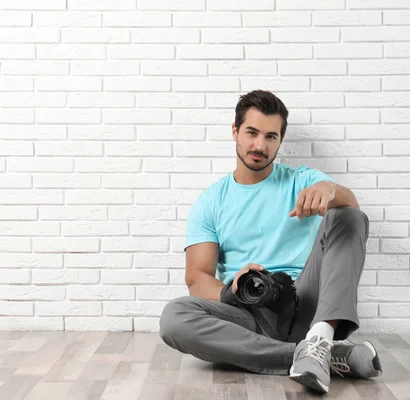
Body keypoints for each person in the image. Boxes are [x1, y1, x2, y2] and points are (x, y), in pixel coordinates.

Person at [159, 90, 382, 394]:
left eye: (270, 137)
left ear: (280, 140)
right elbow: (197, 279)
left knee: (350, 216)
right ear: (235, 131)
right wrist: (232, 290)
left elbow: (349, 207)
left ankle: (319, 336)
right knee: (174, 317)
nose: (259, 146)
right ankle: (318, 355)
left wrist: (330, 189)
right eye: (251, 133)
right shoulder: (210, 202)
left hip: (305, 301)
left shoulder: (300, 180)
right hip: (248, 313)